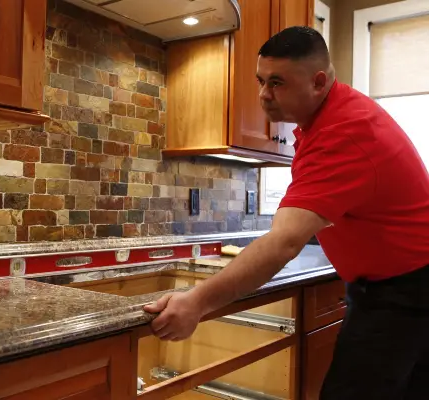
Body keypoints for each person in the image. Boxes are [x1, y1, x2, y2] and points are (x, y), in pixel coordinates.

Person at [144, 26, 429, 399]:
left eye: (277, 82)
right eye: (261, 81)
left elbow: (283, 242)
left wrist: (196, 302)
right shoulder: (324, 119)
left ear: (318, 81)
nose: (264, 95)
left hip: (405, 293)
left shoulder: (343, 133)